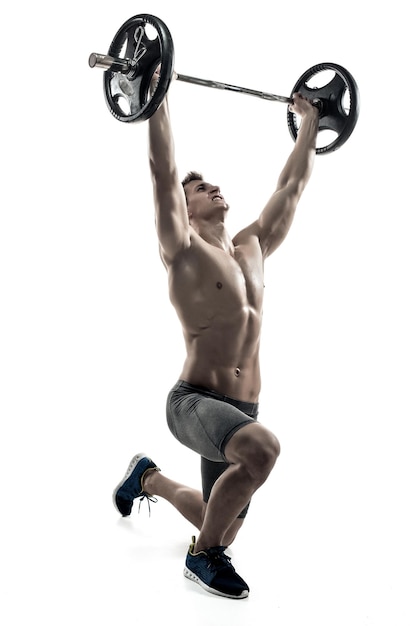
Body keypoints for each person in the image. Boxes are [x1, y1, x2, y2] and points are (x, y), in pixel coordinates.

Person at [113, 72, 319, 599]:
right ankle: (202, 558)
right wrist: (155, 100)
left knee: (218, 514)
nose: (213, 188)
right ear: (184, 209)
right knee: (262, 452)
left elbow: (291, 188)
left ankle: (148, 478)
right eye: (200, 188)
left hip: (240, 408)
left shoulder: (252, 246)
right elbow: (164, 171)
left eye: (212, 183)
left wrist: (311, 123)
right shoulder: (180, 249)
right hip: (193, 403)